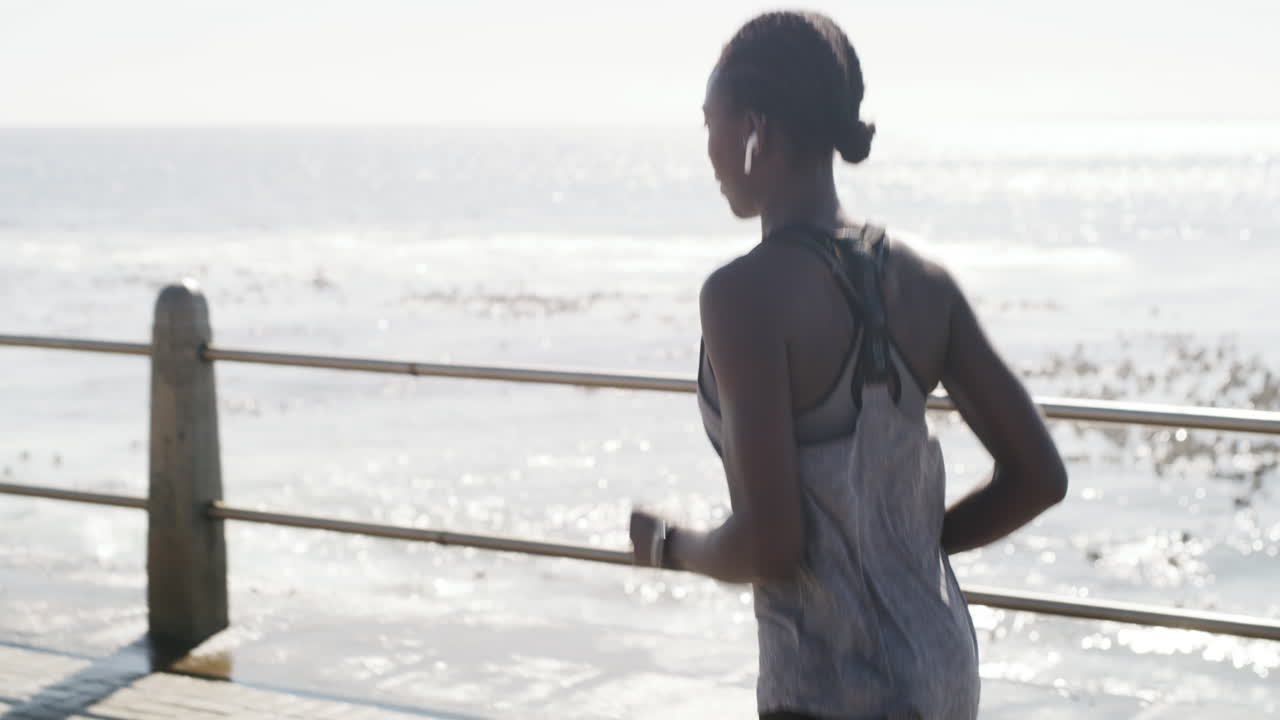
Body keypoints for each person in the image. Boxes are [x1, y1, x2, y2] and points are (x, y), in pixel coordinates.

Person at [629, 11, 1068, 720]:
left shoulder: (744, 296)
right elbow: (1041, 476)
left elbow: (772, 545)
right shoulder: (924, 281)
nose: (707, 148)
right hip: (941, 673)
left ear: (756, 129)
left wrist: (668, 546)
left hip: (831, 688)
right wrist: (902, 548)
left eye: (710, 121)